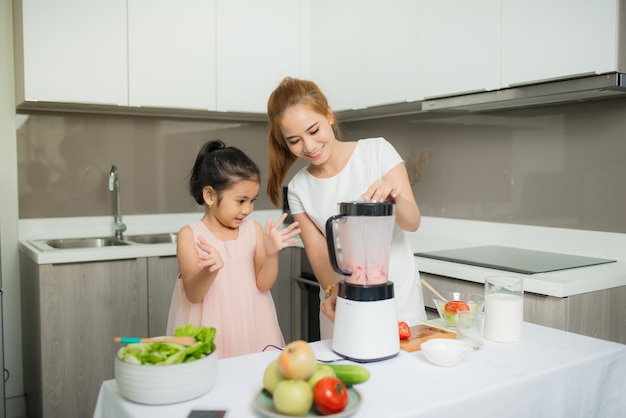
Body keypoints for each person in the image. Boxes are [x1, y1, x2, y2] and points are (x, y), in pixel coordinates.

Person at [266, 77, 427, 340]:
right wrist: (332, 292)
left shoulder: (377, 152)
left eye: (314, 130)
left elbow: (412, 222)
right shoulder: (299, 188)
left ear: (328, 115)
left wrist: (394, 196)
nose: (308, 146)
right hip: (342, 304)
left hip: (397, 300)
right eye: (294, 140)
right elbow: (318, 254)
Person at [166, 139, 300, 358]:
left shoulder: (253, 230)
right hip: (211, 332)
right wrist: (211, 270)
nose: (247, 209)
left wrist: (272, 253)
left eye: (252, 200)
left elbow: (263, 284)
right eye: (240, 201)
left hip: (252, 327)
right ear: (210, 195)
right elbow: (193, 294)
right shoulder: (190, 235)